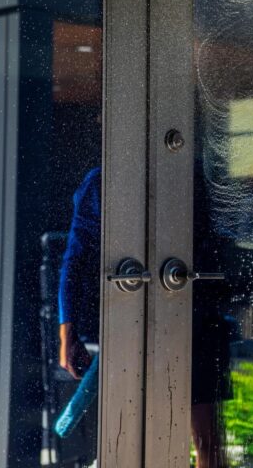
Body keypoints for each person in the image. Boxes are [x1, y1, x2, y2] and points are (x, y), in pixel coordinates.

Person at [58, 167, 232, 468]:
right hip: (137, 320)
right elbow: (76, 259)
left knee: (205, 439)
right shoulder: (103, 181)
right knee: (139, 434)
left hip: (193, 317)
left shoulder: (192, 174)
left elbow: (76, 258)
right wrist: (67, 334)